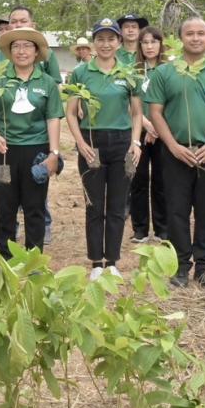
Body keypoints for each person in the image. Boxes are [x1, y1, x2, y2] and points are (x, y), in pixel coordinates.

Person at [145, 17, 205, 289]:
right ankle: (180, 267)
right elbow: (156, 113)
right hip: (176, 153)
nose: (196, 38)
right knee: (176, 210)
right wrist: (173, 146)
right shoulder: (165, 73)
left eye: (201, 33)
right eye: (190, 33)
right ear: (180, 37)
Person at [65, 18, 143, 278]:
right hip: (92, 143)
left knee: (118, 206)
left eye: (111, 39)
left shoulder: (129, 72)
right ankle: (96, 262)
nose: (106, 44)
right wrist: (81, 143)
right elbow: (72, 113)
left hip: (122, 144)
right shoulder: (81, 73)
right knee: (95, 205)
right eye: (100, 39)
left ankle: (112, 262)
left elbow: (136, 113)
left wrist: (135, 142)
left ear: (119, 42)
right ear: (93, 43)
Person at [0, 27, 63, 257]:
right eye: (16, 46)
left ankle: (33, 260)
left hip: (36, 151)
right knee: (5, 208)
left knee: (34, 209)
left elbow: (53, 117)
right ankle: (5, 260)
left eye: (27, 46)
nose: (22, 51)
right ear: (9, 52)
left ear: (36, 52)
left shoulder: (46, 83)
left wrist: (54, 153)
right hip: (4, 152)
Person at [130, 26, 169, 244]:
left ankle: (163, 228)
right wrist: (146, 124)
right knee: (138, 179)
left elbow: (172, 102)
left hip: (163, 132)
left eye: (154, 41)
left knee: (162, 181)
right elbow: (129, 103)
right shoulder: (133, 71)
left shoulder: (169, 69)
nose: (149, 46)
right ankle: (140, 229)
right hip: (138, 131)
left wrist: (156, 127)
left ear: (160, 44)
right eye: (145, 42)